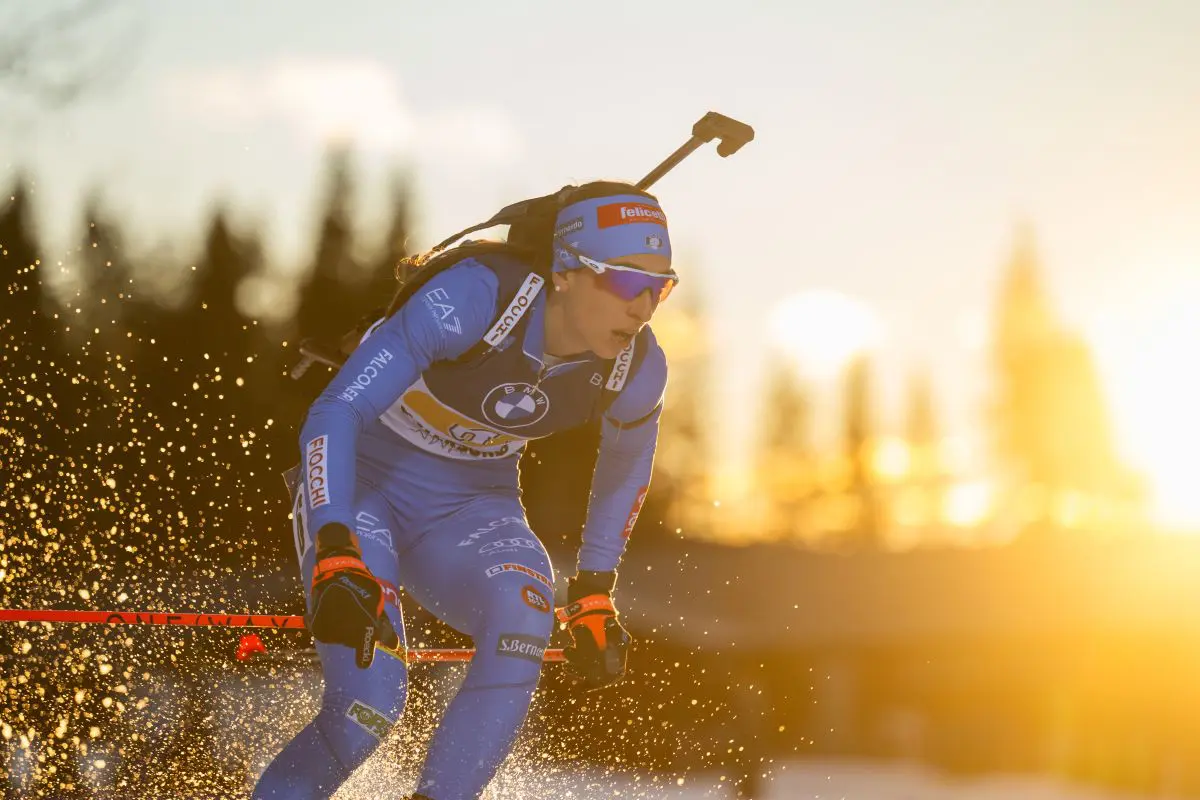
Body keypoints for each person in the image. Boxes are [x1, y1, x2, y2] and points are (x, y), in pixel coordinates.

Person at [253, 180, 678, 800]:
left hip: (472, 509)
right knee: (370, 706)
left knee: (525, 604)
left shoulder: (636, 367)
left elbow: (627, 464)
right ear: (566, 271)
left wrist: (592, 591)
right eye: (623, 281)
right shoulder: (472, 298)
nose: (642, 306)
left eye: (659, 286)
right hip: (364, 486)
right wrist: (336, 542)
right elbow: (335, 412)